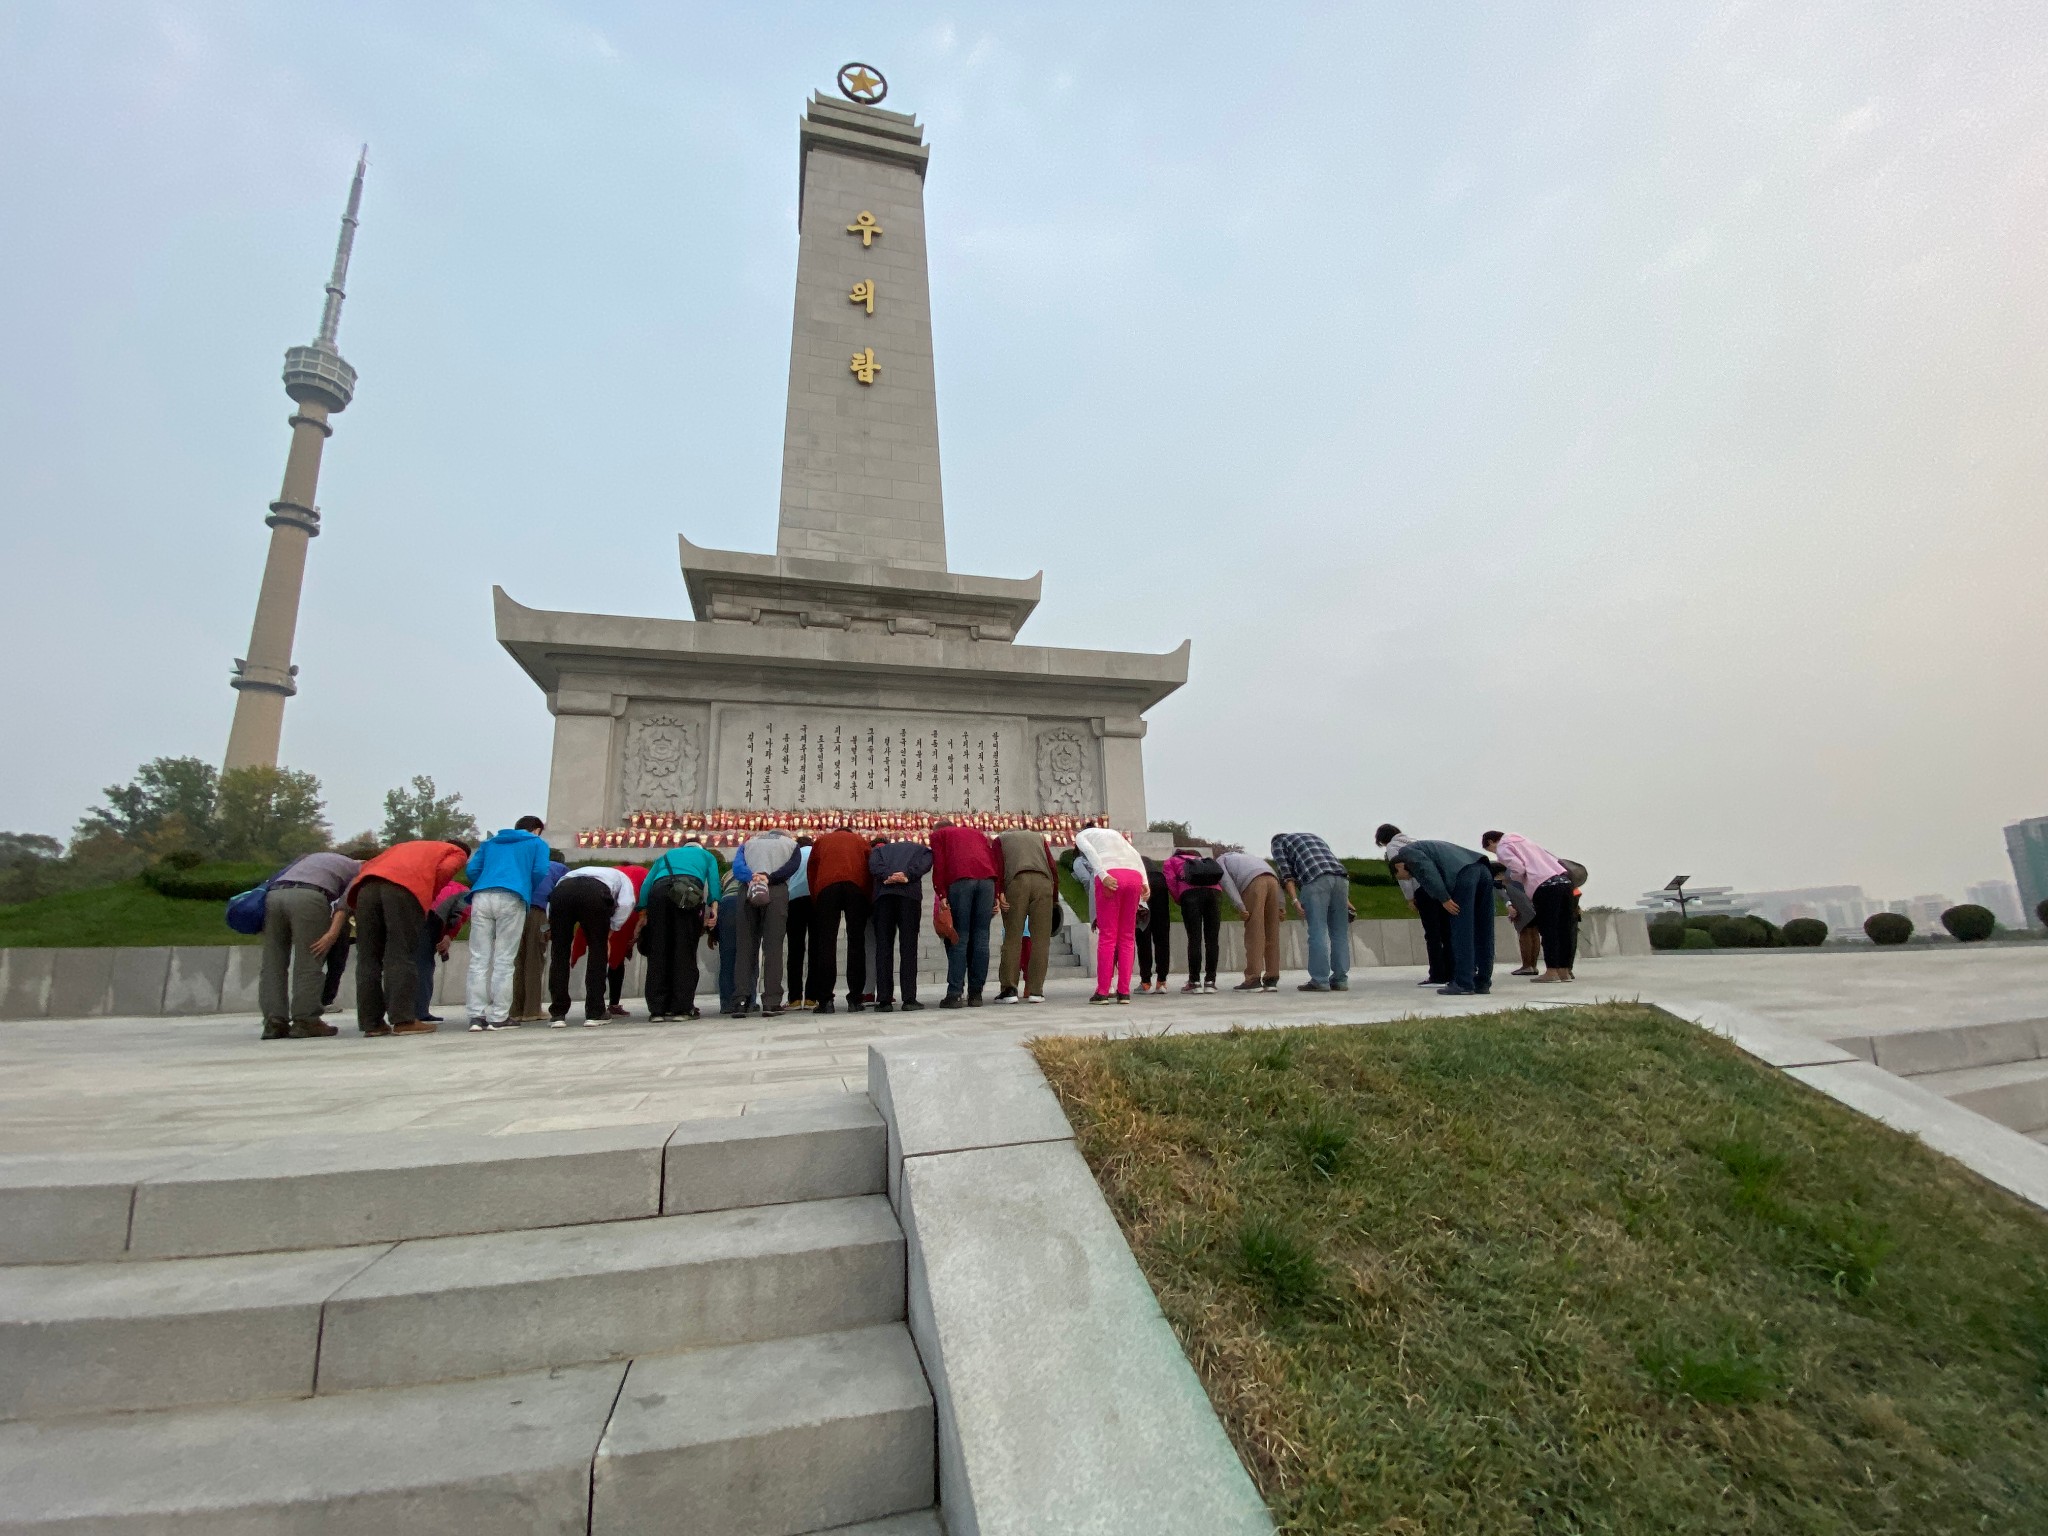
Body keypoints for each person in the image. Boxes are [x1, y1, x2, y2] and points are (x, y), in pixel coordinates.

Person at [345, 839, 471, 1036]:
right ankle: (403, 1020)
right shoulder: (455, 852)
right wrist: (427, 897)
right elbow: (444, 872)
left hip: (366, 888)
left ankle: (372, 1023)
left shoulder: (402, 847)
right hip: (402, 889)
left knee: (368, 957)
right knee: (400, 952)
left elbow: (369, 865)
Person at [256, 848, 362, 1039]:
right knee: (309, 959)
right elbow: (345, 903)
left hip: (274, 896)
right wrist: (332, 934)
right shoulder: (360, 867)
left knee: (273, 962)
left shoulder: (313, 858)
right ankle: (306, 1021)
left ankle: (273, 1022)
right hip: (309, 897)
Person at [1376, 826, 1494, 995]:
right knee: (1483, 929)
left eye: (1400, 876)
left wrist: (1444, 898)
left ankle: (1463, 983)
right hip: (1482, 869)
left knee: (1462, 931)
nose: (1407, 878)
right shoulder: (1419, 844)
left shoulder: (1407, 852)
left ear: (1399, 865)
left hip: (1463, 876)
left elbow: (1426, 870)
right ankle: (1482, 982)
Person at [462, 816, 551, 1032]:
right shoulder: (537, 843)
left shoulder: (491, 843)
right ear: (537, 830)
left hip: (482, 896)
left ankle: (476, 1016)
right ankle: (499, 1017)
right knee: (504, 959)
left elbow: (472, 870)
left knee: (478, 959)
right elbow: (540, 871)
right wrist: (523, 884)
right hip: (512, 896)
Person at [640, 837, 721, 1021]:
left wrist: (643, 913)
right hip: (686, 894)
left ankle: (657, 1010)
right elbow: (714, 882)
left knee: (658, 950)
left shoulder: (666, 855)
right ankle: (682, 1008)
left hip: (658, 893)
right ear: (700, 846)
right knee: (684, 950)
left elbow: (646, 884)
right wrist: (714, 909)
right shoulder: (706, 855)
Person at [546, 863, 637, 1026]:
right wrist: (612, 929)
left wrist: (553, 925)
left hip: (562, 893)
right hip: (595, 894)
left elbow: (552, 902)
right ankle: (595, 1012)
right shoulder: (621, 877)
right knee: (598, 951)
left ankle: (558, 1014)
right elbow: (626, 903)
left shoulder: (572, 874)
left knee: (559, 954)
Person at [1483, 830, 1577, 982]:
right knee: (1564, 928)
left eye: (1490, 850)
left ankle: (1552, 972)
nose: (1496, 855)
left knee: (1549, 929)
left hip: (1544, 885)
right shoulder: (1526, 841)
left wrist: (1512, 879)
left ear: (1491, 842)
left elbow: (1518, 868)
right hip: (1564, 881)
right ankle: (1564, 971)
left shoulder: (1503, 847)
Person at [1073, 821, 1148, 1004]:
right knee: (1127, 937)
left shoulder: (1082, 836)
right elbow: (1135, 854)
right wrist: (1144, 881)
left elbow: (1090, 853)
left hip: (1111, 875)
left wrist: (1102, 874)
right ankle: (1124, 992)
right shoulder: (1114, 834)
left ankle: (1103, 991)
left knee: (1108, 936)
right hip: (1133, 877)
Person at [1271, 831, 1354, 992]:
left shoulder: (1278, 843)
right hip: (1341, 879)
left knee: (1318, 931)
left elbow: (1286, 874)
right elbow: (1330, 868)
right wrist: (1347, 901)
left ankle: (1320, 980)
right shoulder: (1314, 837)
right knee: (1340, 933)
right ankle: (1341, 979)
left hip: (1314, 880)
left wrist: (1295, 901)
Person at [731, 827, 801, 1017]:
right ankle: (771, 1001)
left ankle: (741, 1000)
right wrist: (768, 877)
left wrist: (752, 878)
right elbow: (792, 867)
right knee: (773, 947)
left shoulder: (748, 844)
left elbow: (737, 867)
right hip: (775, 890)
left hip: (748, 889)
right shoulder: (791, 844)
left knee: (745, 946)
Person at [930, 818, 1000, 1007]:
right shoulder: (976, 833)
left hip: (960, 881)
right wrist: (997, 894)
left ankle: (954, 994)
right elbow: (992, 859)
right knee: (982, 937)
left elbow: (940, 863)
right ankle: (976, 994)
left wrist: (941, 892)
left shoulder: (939, 834)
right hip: (987, 881)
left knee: (959, 937)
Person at [806, 823, 873, 1013]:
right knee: (856, 942)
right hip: (856, 886)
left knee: (826, 943)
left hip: (827, 887)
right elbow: (869, 870)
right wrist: (867, 898)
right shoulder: (861, 841)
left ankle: (825, 1000)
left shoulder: (821, 841)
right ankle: (855, 999)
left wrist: (815, 897)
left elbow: (812, 870)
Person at [869, 833, 933, 1011]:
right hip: (909, 897)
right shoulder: (921, 849)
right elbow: (927, 862)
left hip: (884, 897)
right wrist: (907, 875)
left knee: (883, 947)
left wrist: (888, 876)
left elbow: (873, 866)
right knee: (909, 947)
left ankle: (884, 1000)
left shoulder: (880, 851)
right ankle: (909, 999)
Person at [576, 863, 649, 1017]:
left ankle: (596, 1003)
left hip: (600, 909)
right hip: (628, 913)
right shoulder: (642, 872)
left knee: (599, 957)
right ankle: (612, 1004)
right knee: (617, 960)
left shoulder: (612, 871)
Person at [995, 827, 1058, 1004]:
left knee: (1013, 938)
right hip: (1044, 883)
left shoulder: (1001, 840)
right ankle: (1036, 991)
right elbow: (1052, 865)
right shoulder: (1039, 838)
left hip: (1017, 882)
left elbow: (998, 865)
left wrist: (998, 891)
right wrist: (1055, 897)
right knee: (1041, 940)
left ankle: (1009, 990)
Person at [1382, 831, 1451, 987]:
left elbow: (1401, 871)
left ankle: (1437, 975)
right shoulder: (1414, 841)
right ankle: (1451, 972)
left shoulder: (1393, 847)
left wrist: (1410, 897)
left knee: (1432, 934)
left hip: (1423, 889)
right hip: (1439, 888)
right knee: (1446, 932)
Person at [509, 849, 568, 1023]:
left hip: (516, 910)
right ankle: (532, 1010)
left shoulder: (528, 865)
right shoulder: (559, 869)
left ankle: (516, 1010)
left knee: (518, 961)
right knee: (534, 960)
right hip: (538, 913)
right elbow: (561, 893)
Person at [1217, 849, 1282, 993]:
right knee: (1272, 931)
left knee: (1255, 932)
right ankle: (1272, 978)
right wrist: (1282, 905)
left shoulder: (1221, 860)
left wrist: (1239, 906)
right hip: (1272, 880)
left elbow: (1227, 882)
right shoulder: (1251, 857)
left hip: (1253, 883)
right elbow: (1273, 873)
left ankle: (1253, 979)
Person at [1164, 846, 1224, 993]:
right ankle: (1210, 982)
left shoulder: (1171, 861)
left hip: (1190, 894)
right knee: (1212, 939)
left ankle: (1194, 981)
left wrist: (1179, 898)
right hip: (1213, 893)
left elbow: (1170, 881)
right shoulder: (1201, 860)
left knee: (1194, 938)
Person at [418, 878, 471, 1023]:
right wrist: (448, 937)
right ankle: (420, 1011)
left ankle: (405, 1010)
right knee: (425, 965)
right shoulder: (466, 893)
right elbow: (458, 916)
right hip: (432, 919)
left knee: (413, 962)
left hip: (417, 913)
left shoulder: (441, 883)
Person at [1134, 856, 1173, 994]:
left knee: (1143, 936)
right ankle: (1162, 982)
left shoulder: (1134, 864)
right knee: (1162, 937)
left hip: (1142, 885)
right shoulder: (1158, 873)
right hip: (1159, 885)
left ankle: (1145, 982)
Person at [785, 836, 815, 1010]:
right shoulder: (815, 853)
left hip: (794, 900)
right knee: (815, 949)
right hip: (814, 899)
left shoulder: (793, 854)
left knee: (795, 950)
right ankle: (812, 997)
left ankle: (794, 998)